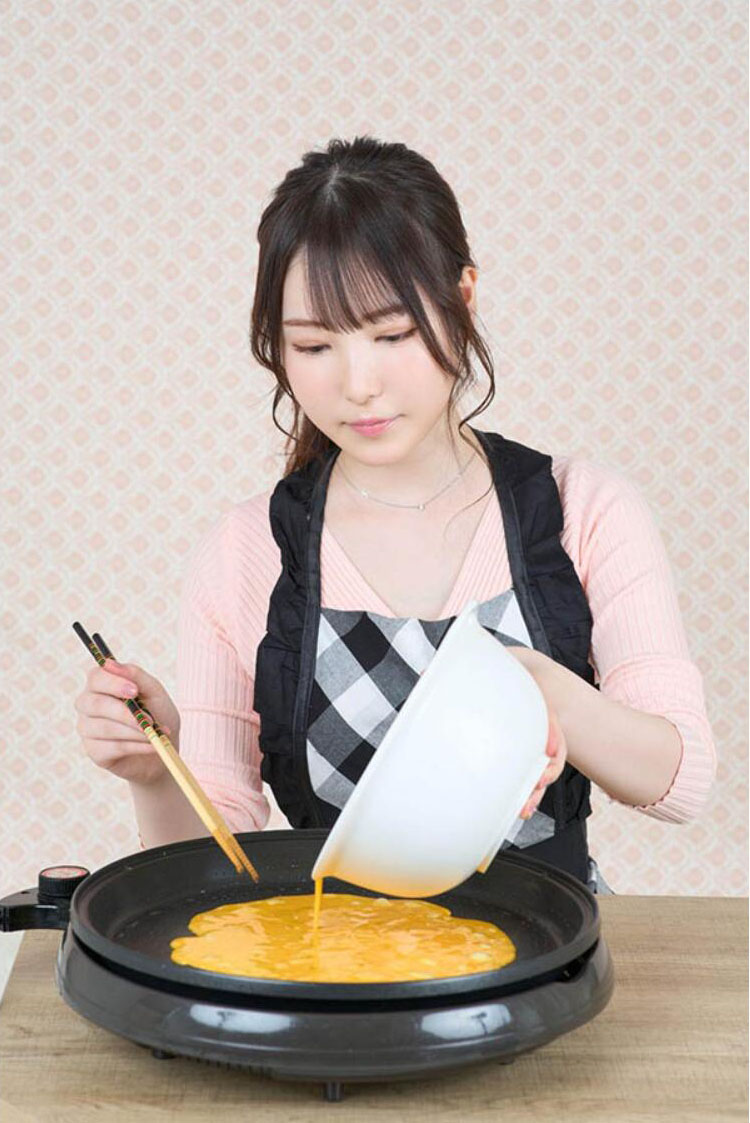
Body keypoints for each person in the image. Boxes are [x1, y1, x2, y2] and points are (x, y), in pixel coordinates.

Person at [74, 136, 717, 893]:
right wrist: (156, 773)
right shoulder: (248, 550)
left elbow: (679, 782)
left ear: (463, 299)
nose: (359, 385)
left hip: (554, 944)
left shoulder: (585, 510)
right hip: (337, 952)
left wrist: (537, 686)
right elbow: (222, 867)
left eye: (393, 334)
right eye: (315, 346)